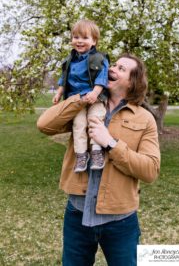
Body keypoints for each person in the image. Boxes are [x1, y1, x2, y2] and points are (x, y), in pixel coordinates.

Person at [37, 53, 160, 266]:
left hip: (120, 221)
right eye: (113, 65)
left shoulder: (144, 118)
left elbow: (150, 170)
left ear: (132, 82)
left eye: (121, 69)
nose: (112, 69)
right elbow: (44, 125)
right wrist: (82, 96)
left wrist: (110, 143)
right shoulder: (83, 106)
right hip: (77, 215)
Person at [53, 19, 109, 172]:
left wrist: (96, 92)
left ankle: (97, 151)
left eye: (85, 38)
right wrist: (59, 93)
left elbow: (102, 77)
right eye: (76, 37)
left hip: (95, 98)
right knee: (78, 125)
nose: (79, 41)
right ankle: (81, 155)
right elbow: (64, 79)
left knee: (95, 120)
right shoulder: (69, 60)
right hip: (76, 99)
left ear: (94, 41)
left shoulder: (100, 58)